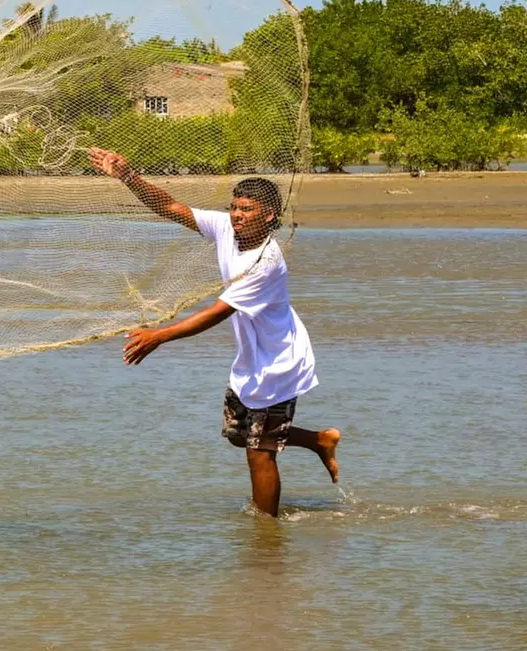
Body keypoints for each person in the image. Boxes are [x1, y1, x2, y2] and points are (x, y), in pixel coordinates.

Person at [88, 147, 340, 517]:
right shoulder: (225, 227)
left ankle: (266, 534)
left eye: (247, 210)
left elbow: (218, 312)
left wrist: (159, 336)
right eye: (234, 207)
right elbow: (171, 207)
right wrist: (128, 176)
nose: (237, 216)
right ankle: (319, 440)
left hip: (279, 362)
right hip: (251, 357)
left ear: (268, 216)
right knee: (241, 436)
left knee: (260, 452)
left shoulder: (266, 262)